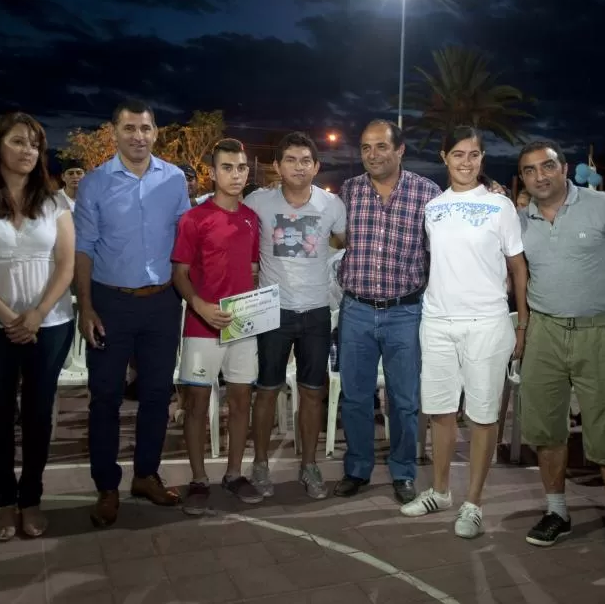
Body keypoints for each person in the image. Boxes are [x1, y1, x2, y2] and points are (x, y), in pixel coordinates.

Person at [517, 140, 605, 573]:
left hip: (599, 332)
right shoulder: (521, 220)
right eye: (530, 170)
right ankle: (557, 512)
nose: (540, 176)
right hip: (545, 332)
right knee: (545, 427)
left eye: (547, 166)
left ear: (564, 167)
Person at [399, 127, 527, 539]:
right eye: (458, 154)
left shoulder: (499, 206)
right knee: (439, 412)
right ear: (444, 157)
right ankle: (440, 491)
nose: (466, 162)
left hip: (487, 324)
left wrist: (521, 321)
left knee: (483, 416)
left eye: (474, 155)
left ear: (482, 159)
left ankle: (473, 502)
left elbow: (518, 268)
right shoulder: (432, 207)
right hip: (437, 321)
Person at [0, 112, 75, 541]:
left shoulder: (56, 202)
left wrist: (38, 314)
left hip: (51, 324)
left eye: (35, 144)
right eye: (18, 142)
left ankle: (31, 500)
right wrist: (10, 319)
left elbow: (66, 263)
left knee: (39, 414)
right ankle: (4, 502)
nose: (27, 151)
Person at [74, 99, 190, 526]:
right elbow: (83, 248)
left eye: (145, 128)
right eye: (129, 128)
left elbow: (184, 241)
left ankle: (146, 475)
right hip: (110, 302)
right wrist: (86, 305)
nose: (138, 136)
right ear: (115, 131)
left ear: (156, 132)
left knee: (157, 396)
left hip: (162, 303)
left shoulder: (175, 178)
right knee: (105, 397)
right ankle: (106, 486)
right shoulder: (94, 184)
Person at [334, 120, 441, 504]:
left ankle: (403, 472)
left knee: (405, 400)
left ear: (400, 150)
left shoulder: (427, 194)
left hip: (405, 313)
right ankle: (358, 468)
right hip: (357, 311)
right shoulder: (348, 192)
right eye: (365, 147)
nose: (372, 155)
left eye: (381, 147)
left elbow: (437, 256)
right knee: (356, 397)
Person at [243, 132, 346, 500]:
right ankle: (259, 465)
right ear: (277, 165)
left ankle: (309, 465)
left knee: (312, 393)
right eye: (290, 159)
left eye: (306, 160)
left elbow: (343, 242)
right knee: (266, 391)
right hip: (273, 312)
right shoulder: (257, 202)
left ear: (316, 166)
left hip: (317, 311)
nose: (298, 167)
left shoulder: (332, 205)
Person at [172, 138, 261, 513]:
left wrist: (255, 307)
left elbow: (254, 271)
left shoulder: (251, 219)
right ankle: (197, 479)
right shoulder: (193, 218)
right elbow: (179, 273)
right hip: (201, 325)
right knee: (197, 404)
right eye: (228, 167)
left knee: (241, 401)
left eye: (241, 167)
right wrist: (200, 306)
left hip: (242, 325)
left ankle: (234, 473)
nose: (236, 174)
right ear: (213, 172)